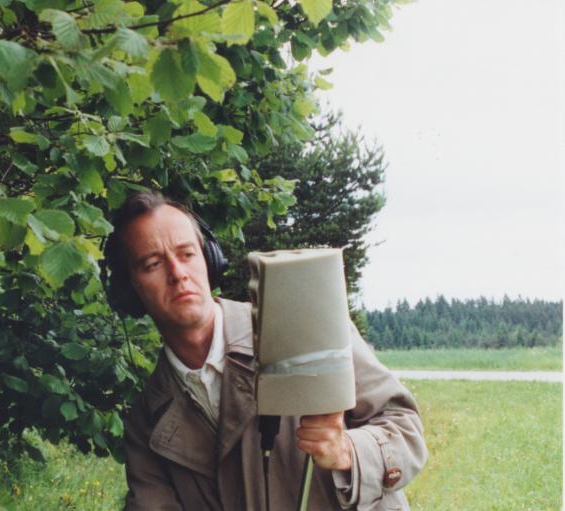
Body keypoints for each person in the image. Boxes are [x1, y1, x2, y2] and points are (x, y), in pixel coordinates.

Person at [103, 191, 427, 510]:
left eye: (187, 254)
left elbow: (405, 428)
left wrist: (346, 451)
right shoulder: (145, 423)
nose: (177, 274)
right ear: (129, 289)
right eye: (152, 263)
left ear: (209, 260)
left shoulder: (306, 326)